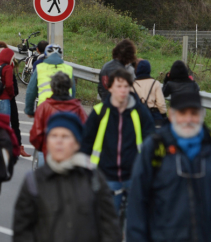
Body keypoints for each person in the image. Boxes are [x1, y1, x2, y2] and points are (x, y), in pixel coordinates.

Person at [127, 89, 211, 242]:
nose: (188, 119)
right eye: (182, 113)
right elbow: (137, 203)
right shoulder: (154, 147)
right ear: (171, 115)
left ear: (202, 115)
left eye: (194, 113)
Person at [13, 112, 122, 242]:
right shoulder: (34, 181)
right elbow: (22, 232)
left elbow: (110, 228)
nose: (59, 141)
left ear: (77, 143)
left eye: (65, 136)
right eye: (53, 136)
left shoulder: (94, 179)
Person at [81, 68, 155, 213]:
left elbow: (151, 141)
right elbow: (86, 143)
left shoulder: (140, 112)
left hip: (134, 176)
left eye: (126, 86)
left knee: (135, 223)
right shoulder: (99, 112)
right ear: (110, 88)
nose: (123, 90)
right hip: (106, 175)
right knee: (109, 223)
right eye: (118, 86)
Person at [29, 72, 87, 160]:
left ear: (52, 88)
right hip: (71, 156)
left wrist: (45, 147)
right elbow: (86, 134)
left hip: (49, 154)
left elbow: (35, 135)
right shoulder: (78, 108)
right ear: (69, 87)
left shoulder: (44, 107)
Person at [24, 44, 74, 117]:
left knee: (40, 128)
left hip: (44, 108)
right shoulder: (68, 69)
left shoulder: (39, 68)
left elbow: (31, 91)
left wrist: (29, 110)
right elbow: (73, 91)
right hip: (64, 109)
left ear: (45, 55)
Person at [132, 60, 167, 128]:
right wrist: (163, 114)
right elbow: (161, 103)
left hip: (137, 115)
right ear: (149, 70)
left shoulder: (132, 85)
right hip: (153, 115)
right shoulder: (155, 83)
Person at [0, 46, 16, 115]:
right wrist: (11, 95)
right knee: (3, 125)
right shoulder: (7, 68)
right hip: (3, 100)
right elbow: (9, 85)